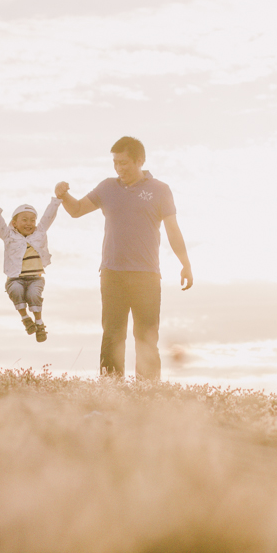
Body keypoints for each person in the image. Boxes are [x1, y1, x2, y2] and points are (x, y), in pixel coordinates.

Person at [55, 136, 192, 381]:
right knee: (112, 335)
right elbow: (76, 210)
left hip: (146, 275)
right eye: (116, 163)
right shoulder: (107, 187)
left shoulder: (160, 190)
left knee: (147, 336)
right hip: (112, 274)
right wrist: (63, 195)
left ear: (140, 160)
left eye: (125, 163)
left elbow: (173, 229)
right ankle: (111, 391)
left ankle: (148, 393)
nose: (119, 168)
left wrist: (185, 264)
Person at [0, 187, 62, 342]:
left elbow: (48, 216)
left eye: (32, 220)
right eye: (24, 220)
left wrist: (58, 198)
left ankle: (39, 323)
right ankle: (26, 318)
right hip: (15, 279)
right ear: (14, 223)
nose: (29, 223)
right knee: (16, 291)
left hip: (35, 278)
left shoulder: (39, 232)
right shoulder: (8, 235)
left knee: (34, 295)